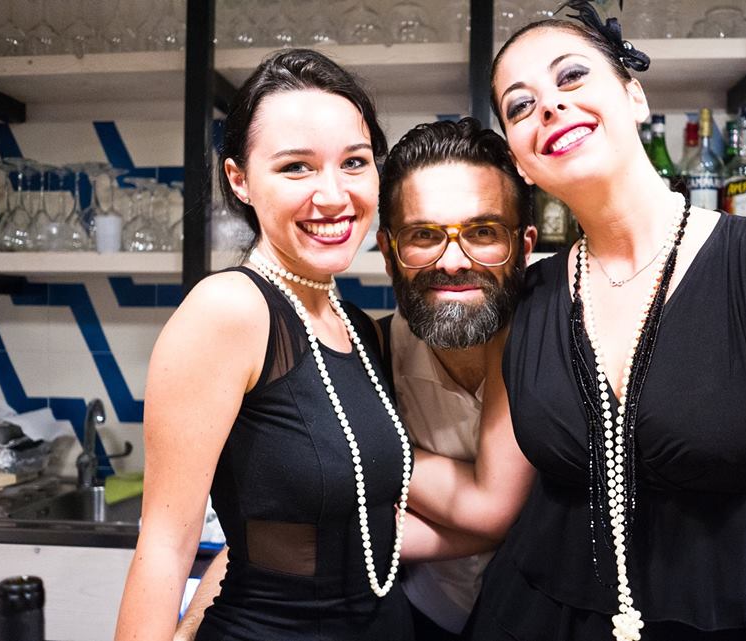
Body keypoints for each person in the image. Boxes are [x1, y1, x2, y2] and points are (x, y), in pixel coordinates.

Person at [406, 5, 746, 641]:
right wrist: (359, 453)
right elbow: (490, 501)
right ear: (522, 161)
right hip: (524, 619)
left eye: (572, 77)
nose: (550, 106)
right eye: (520, 105)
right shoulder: (526, 297)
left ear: (634, 96)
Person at [115, 50, 487, 641]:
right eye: (296, 167)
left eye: (354, 162)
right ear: (240, 179)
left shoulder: (360, 328)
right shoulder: (229, 311)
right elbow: (164, 546)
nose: (334, 195)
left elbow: (353, 527)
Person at [172, 117, 537, 641]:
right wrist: (188, 631)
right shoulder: (366, 355)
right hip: (414, 619)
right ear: (388, 254)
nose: (454, 261)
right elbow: (289, 525)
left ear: (524, 246)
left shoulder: (564, 353)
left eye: (483, 233)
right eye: (423, 236)